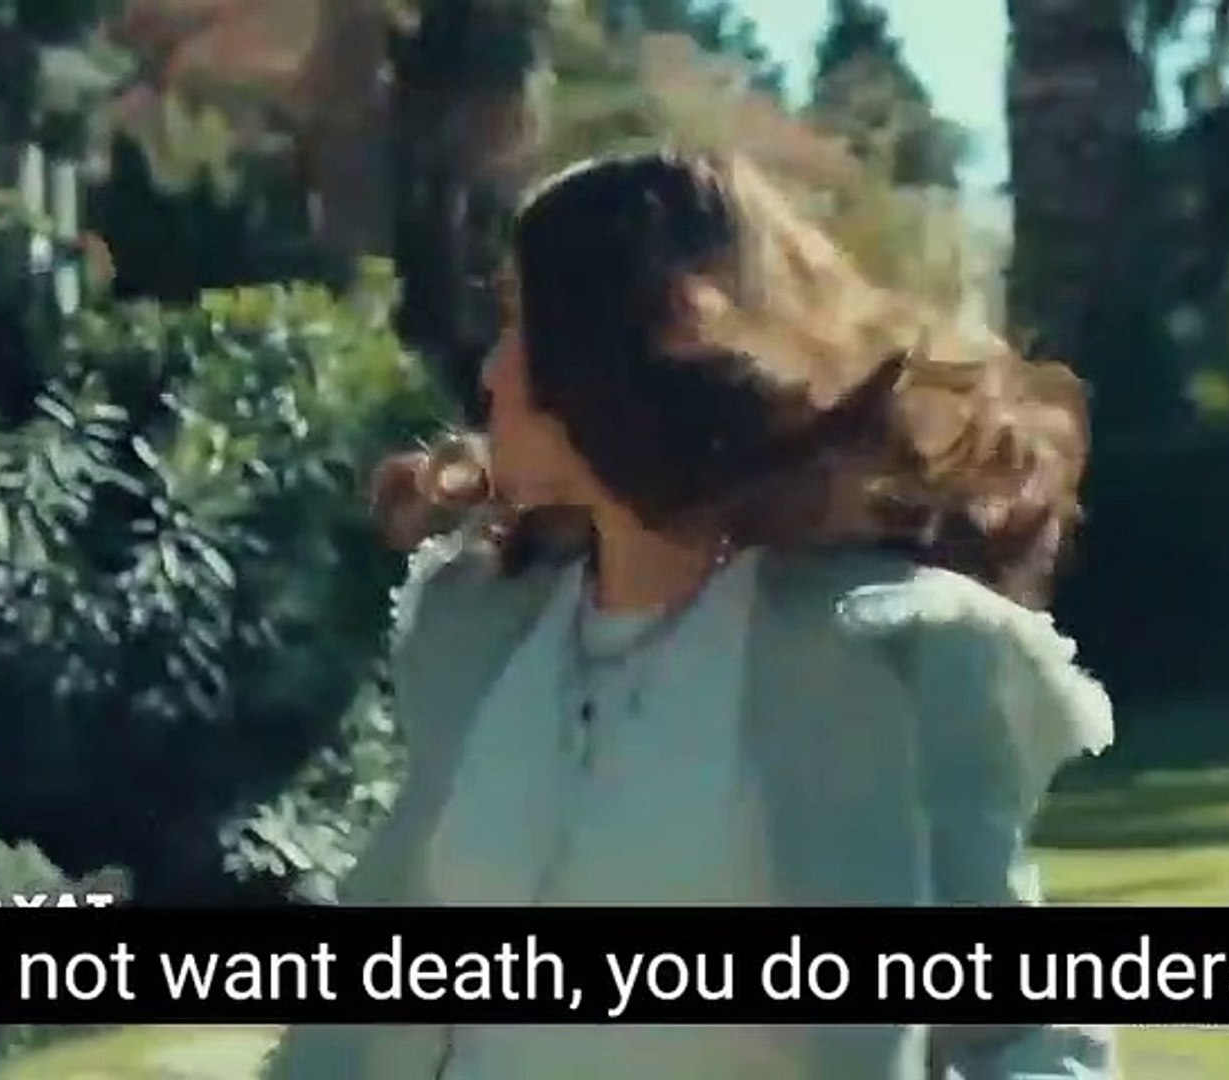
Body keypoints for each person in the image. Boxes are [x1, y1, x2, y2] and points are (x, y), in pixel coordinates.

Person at [265, 150, 1117, 1080]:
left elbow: (1018, 1037)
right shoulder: (483, 633)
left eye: (524, 323)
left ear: (623, 348)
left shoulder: (872, 651)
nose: (495, 368)